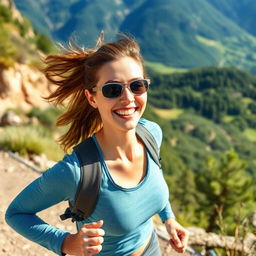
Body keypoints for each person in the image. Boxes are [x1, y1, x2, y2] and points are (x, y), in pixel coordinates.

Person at [5, 33, 189, 256]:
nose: (128, 98)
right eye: (113, 90)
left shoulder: (151, 133)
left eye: (137, 86)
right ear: (92, 98)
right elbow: (15, 214)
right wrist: (65, 243)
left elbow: (153, 185)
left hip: (151, 248)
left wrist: (169, 218)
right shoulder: (77, 172)